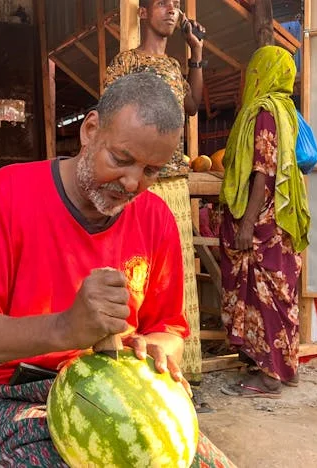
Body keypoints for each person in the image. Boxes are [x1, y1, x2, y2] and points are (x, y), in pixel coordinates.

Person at [0, 72, 233, 467]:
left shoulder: (156, 218)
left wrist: (156, 350)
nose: (131, 183)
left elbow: (169, 329)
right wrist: (64, 329)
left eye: (151, 171)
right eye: (121, 160)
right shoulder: (9, 193)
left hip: (120, 397)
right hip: (7, 399)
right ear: (90, 130)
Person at [105, 0, 206, 385]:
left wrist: (196, 54)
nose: (173, 10)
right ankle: (129, 367)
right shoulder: (125, 63)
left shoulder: (176, 68)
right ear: (144, 13)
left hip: (174, 180)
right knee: (136, 272)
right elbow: (113, 116)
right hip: (141, 179)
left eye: (177, 5)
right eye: (163, 3)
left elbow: (193, 106)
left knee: (175, 278)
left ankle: (181, 371)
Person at [218, 46, 310, 398]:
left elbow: (263, 172)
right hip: (282, 222)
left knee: (263, 298)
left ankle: (270, 376)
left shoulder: (264, 112)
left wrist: (246, 225)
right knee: (281, 293)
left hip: (263, 225)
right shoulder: (288, 111)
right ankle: (288, 367)